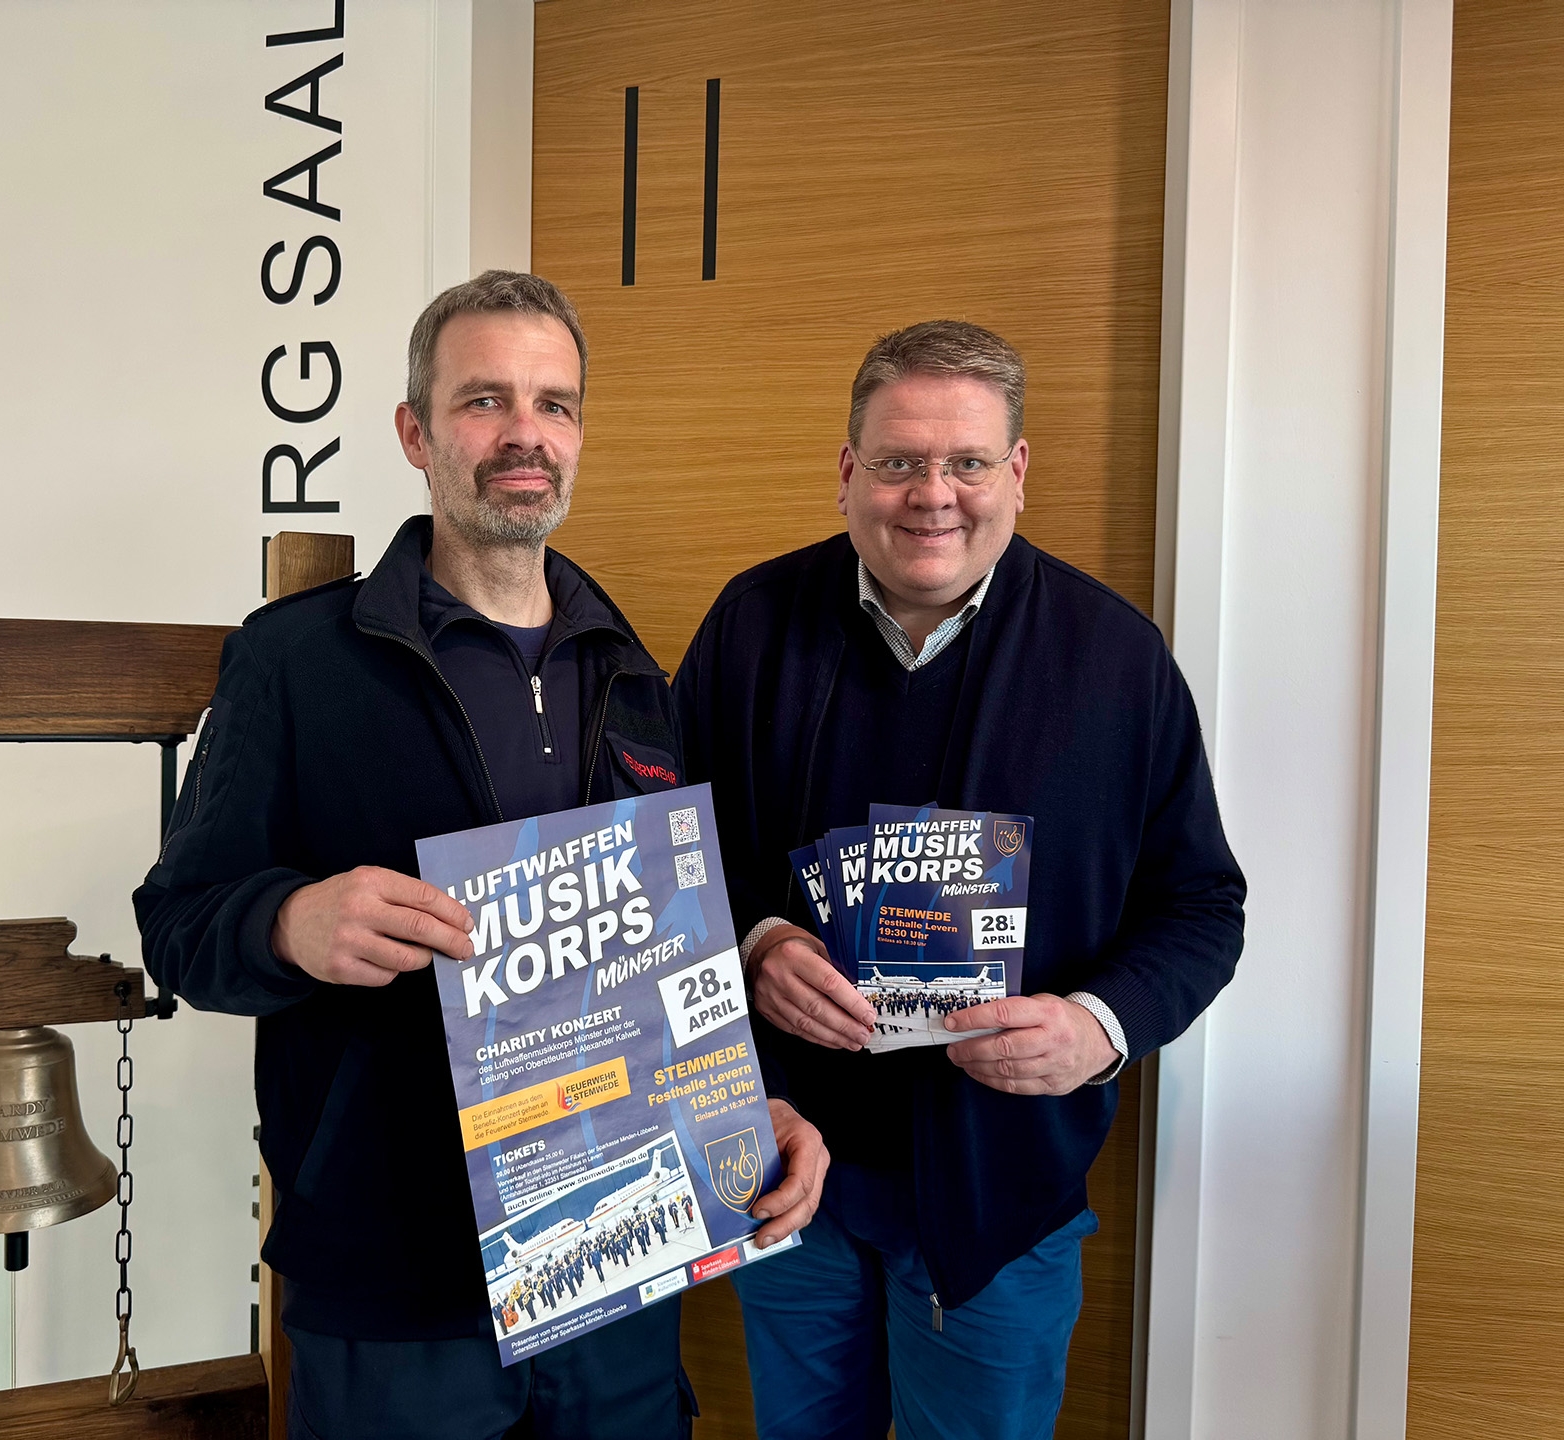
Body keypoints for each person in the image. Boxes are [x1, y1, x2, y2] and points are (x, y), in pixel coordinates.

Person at [135, 269, 828, 1440]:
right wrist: (293, 923)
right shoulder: (294, 661)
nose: (525, 434)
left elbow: (669, 958)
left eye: (554, 405)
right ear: (415, 431)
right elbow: (180, 925)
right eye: (485, 400)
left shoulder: (638, 677)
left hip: (623, 1252)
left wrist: (743, 1103)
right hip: (393, 1272)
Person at [674, 321, 1246, 1440]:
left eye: (969, 462)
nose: (933, 495)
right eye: (897, 461)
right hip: (784, 1170)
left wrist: (1098, 1027)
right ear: (847, 473)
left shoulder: (1115, 659)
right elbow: (662, 862)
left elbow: (1201, 906)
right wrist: (756, 945)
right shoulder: (751, 628)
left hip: (1002, 1200)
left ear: (1017, 474)